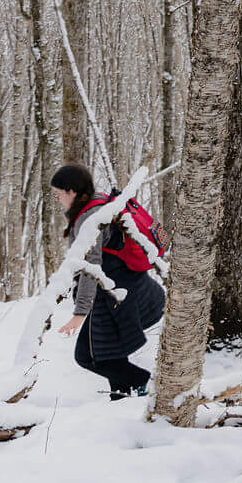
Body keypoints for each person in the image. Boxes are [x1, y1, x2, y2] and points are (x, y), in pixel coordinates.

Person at [50, 164, 165, 400]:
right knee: (109, 355)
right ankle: (122, 402)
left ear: (71, 191)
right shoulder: (99, 202)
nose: (56, 198)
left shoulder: (90, 219)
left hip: (114, 297)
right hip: (123, 292)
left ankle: (149, 385)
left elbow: (89, 269)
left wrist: (80, 312)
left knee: (88, 356)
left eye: (58, 193)